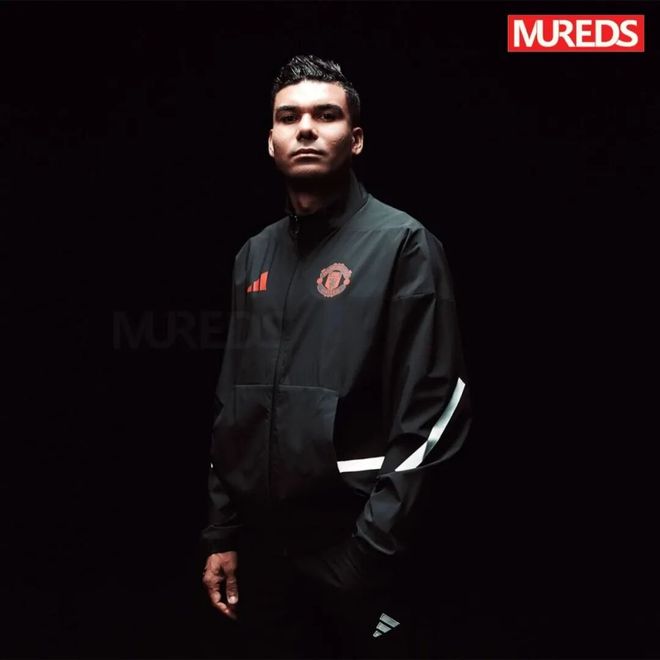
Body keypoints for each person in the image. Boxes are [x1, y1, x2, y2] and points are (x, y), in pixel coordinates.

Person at [200, 54, 472, 659]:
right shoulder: (253, 256)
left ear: (356, 139)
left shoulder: (403, 244)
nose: (305, 128)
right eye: (288, 117)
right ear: (270, 141)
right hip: (267, 556)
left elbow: (435, 413)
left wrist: (369, 552)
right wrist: (222, 532)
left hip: (354, 552)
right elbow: (232, 406)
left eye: (325, 115)